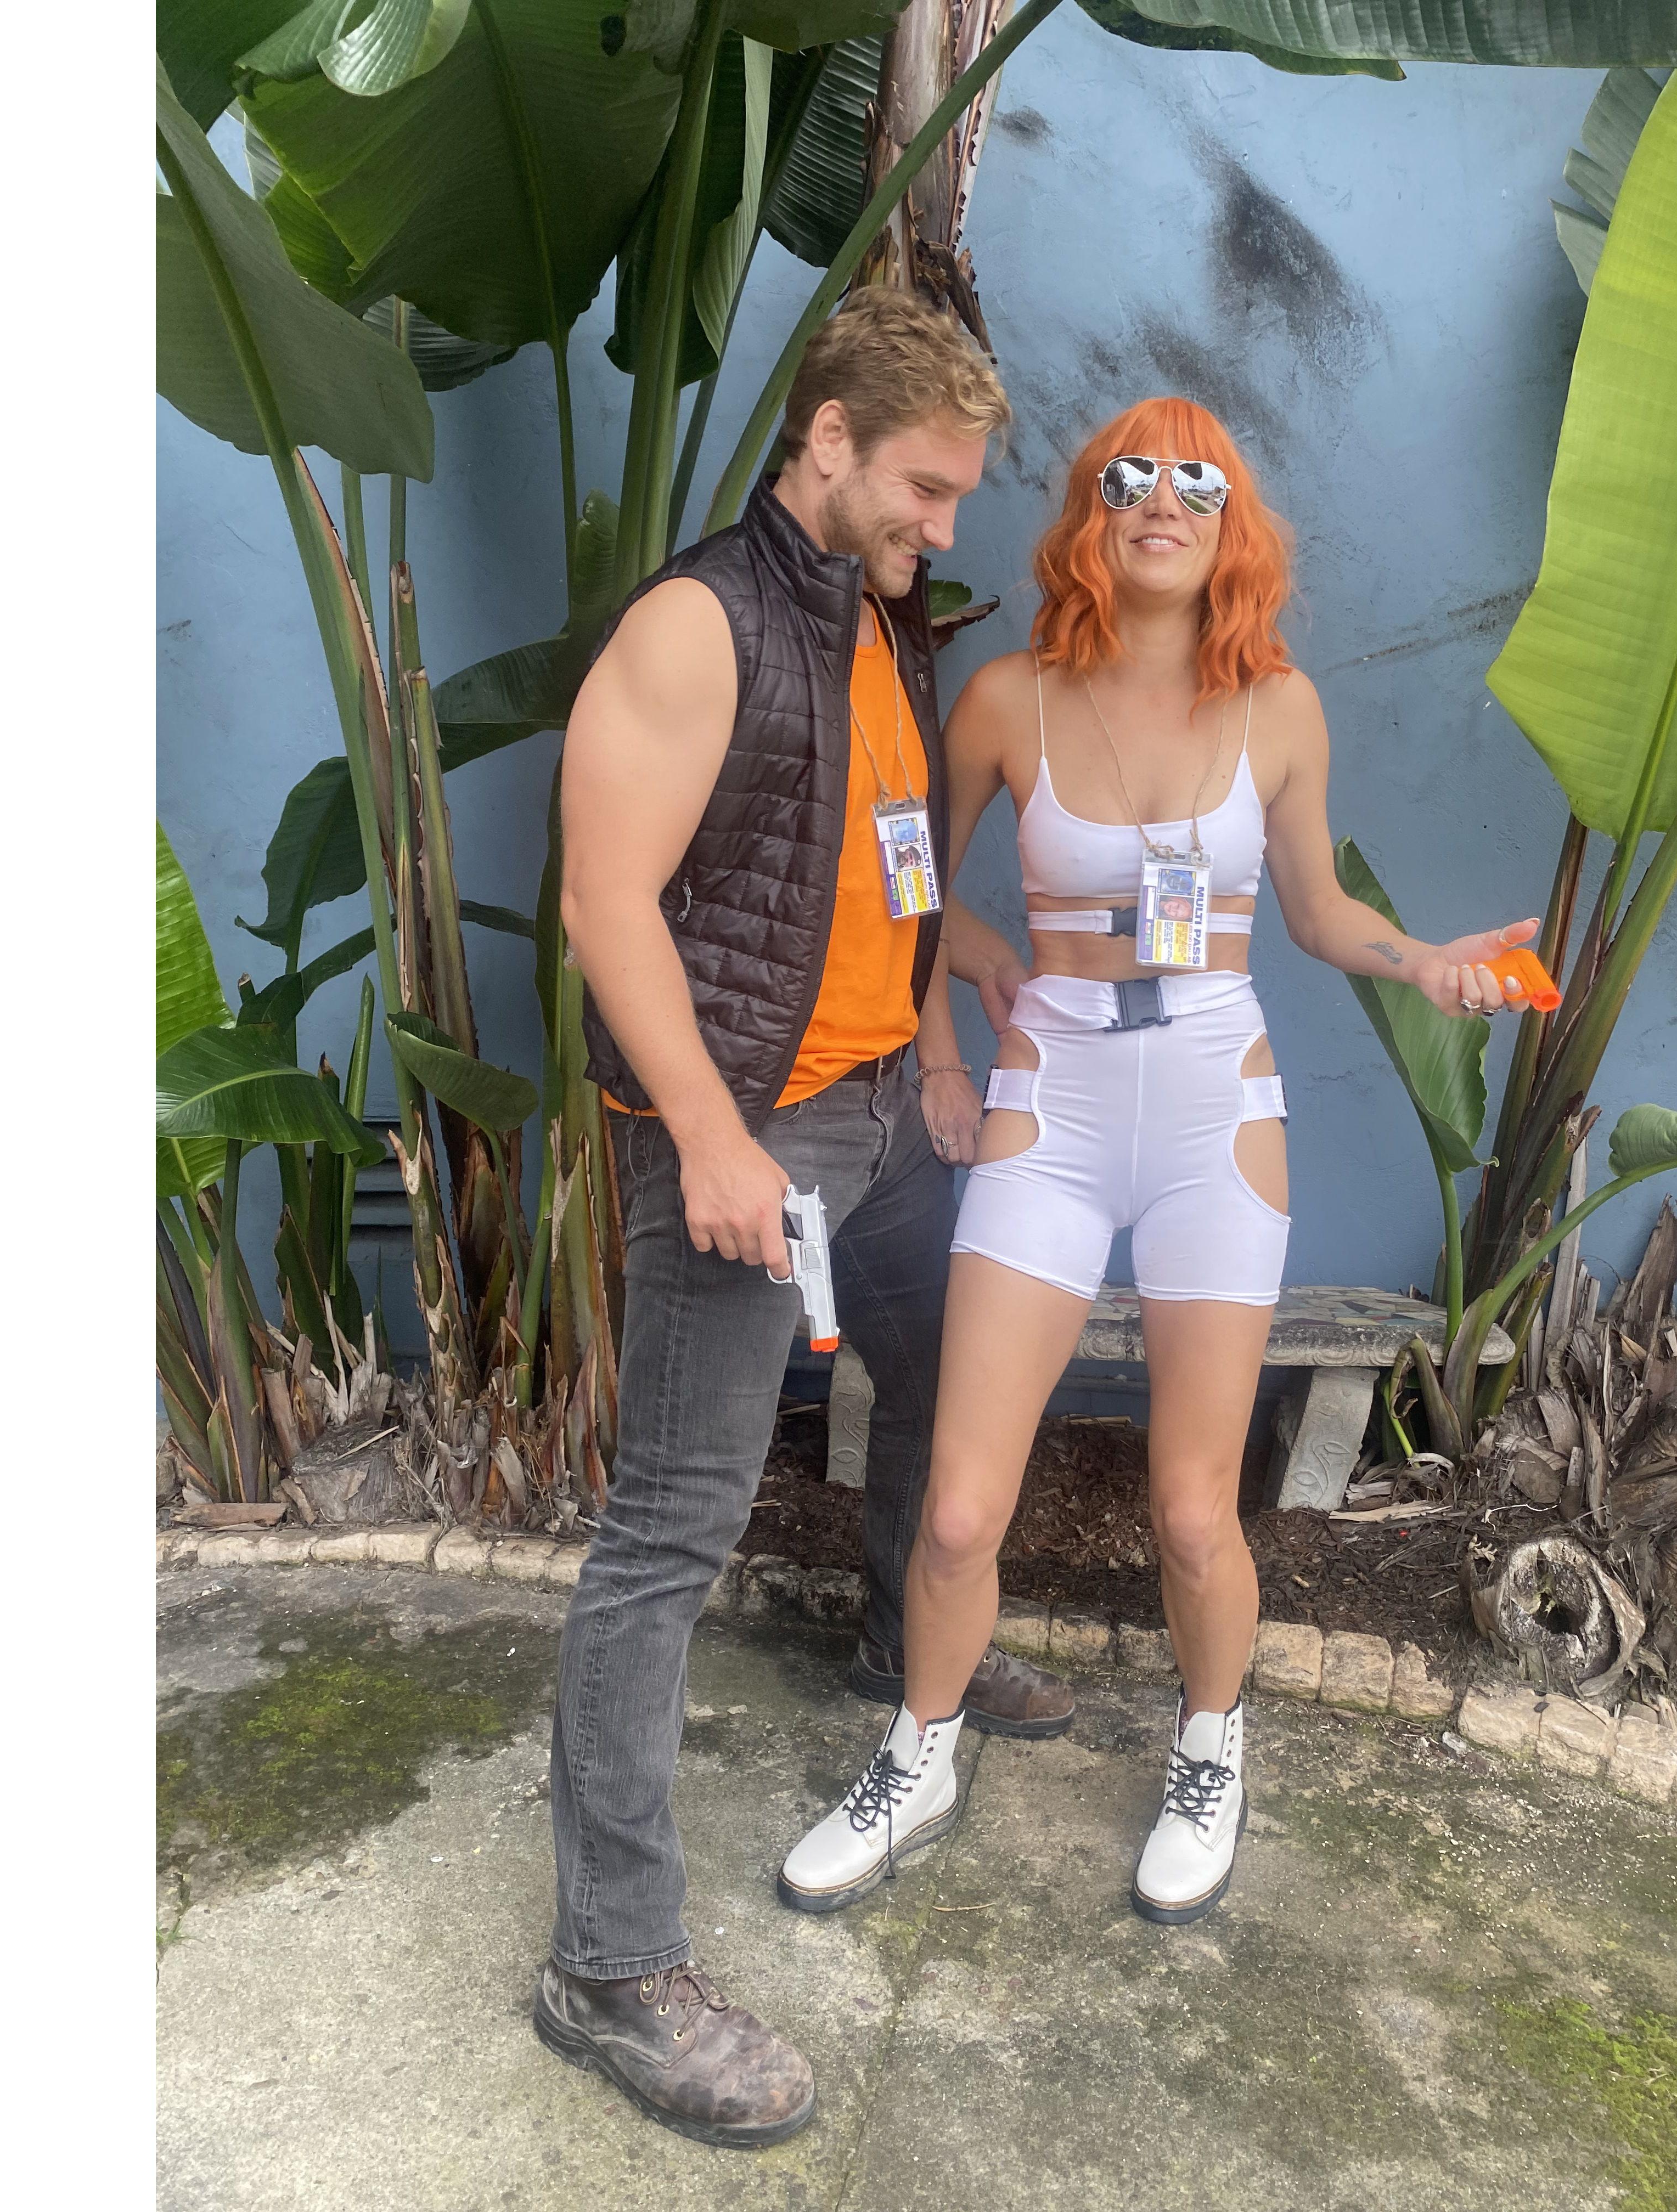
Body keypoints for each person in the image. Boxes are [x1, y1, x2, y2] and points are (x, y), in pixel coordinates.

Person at [780, 398, 1540, 1927]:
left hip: (1214, 1114)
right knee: (957, 1511)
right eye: (1132, 475)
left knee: (1195, 1513)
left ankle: (1211, 1748)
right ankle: (918, 1757)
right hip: (1049, 1111)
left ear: (1231, 523)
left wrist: (1425, 960)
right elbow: (910, 890)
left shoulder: (1282, 711)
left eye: (1201, 480)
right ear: (1093, 510)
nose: (1165, 499)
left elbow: (1317, 914)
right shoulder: (1003, 699)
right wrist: (945, 1046)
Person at [538, 290, 1072, 2150]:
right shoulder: (701, 626)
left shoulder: (875, 622)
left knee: (940, 1363)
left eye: (960, 494)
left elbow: (871, 865)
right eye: (925, 486)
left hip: (881, 1111)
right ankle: (610, 1963)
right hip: (749, 1136)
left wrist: (957, 975)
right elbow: (608, 899)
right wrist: (707, 1140)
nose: (947, 524)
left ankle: (893, 1638)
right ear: (828, 440)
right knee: (668, 1534)